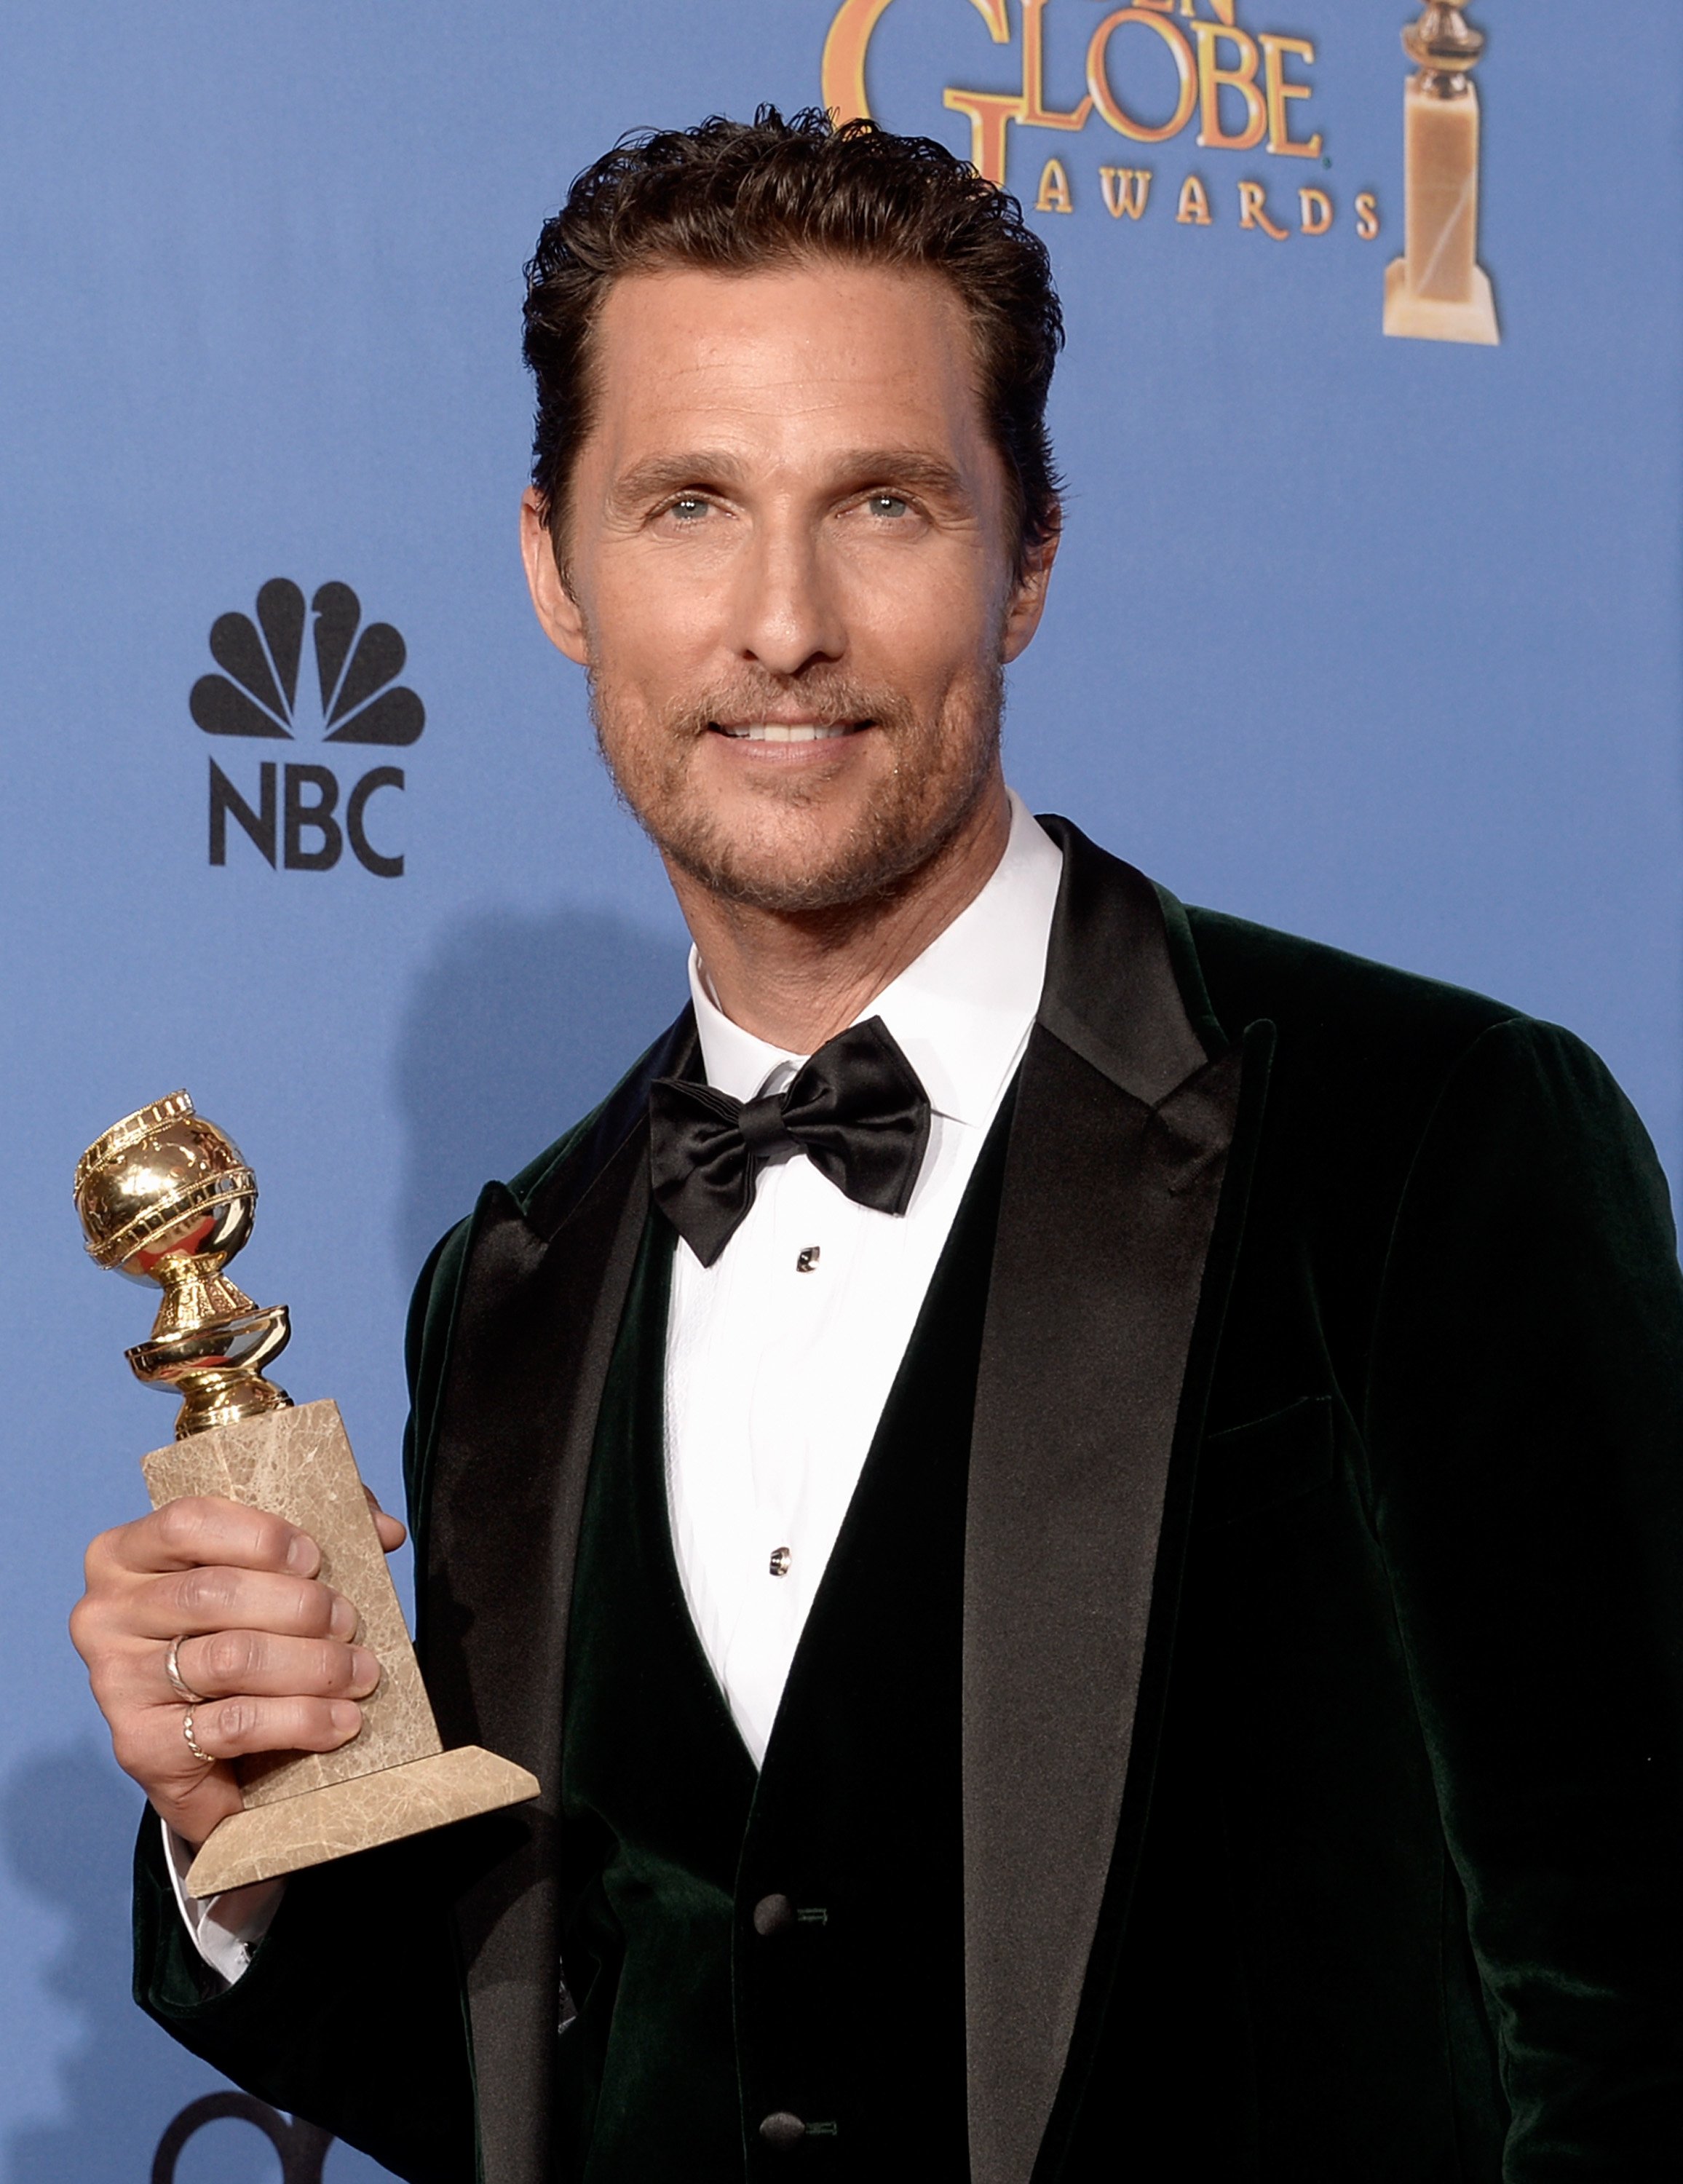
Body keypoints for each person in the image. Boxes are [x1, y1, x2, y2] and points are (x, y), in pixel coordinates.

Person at [71, 108, 1683, 2184]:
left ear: (1029, 558)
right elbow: (536, 2088)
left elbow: (1638, 2006)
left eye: (886, 505)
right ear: (556, 569)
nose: (780, 623)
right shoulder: (512, 1293)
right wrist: (238, 1830)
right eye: (687, 507)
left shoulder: (1430, 1137)